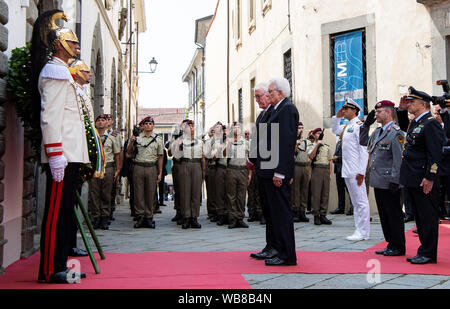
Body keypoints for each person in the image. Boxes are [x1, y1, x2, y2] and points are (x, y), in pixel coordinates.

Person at [31, 10, 89, 283]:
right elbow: (51, 116)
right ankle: (50, 269)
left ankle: (62, 263)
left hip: (70, 155)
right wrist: (55, 154)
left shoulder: (64, 72)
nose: (77, 47)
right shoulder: (55, 71)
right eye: (73, 42)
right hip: (61, 154)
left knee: (65, 213)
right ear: (60, 44)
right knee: (55, 214)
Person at [248, 78, 299, 266]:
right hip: (266, 169)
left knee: (282, 214)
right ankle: (276, 248)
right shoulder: (276, 110)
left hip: (276, 171)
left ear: (279, 92)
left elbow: (286, 143)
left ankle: (287, 254)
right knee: (272, 213)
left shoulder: (287, 109)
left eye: (269, 92)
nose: (267, 95)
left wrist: (281, 172)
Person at [400, 87, 444, 264]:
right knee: (419, 216)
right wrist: (402, 110)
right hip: (413, 177)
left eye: (412, 102)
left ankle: (428, 253)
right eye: (408, 101)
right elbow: (405, 131)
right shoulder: (417, 122)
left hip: (424, 178)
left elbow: (435, 153)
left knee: (427, 217)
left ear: (423, 104)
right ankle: (423, 250)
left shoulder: (430, 123)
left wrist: (430, 177)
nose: (409, 104)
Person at [68, 58, 104, 256]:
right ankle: (68, 243)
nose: (90, 74)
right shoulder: (73, 91)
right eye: (86, 71)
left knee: (73, 200)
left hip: (81, 153)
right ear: (77, 72)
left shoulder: (82, 92)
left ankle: (71, 242)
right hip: (73, 151)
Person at [363, 101, 406, 256]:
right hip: (378, 180)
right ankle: (390, 243)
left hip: (390, 182)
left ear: (388, 113)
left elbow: (398, 159)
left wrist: (396, 180)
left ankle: (398, 245)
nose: (376, 115)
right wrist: (366, 126)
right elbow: (363, 143)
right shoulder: (377, 132)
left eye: (379, 112)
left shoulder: (396, 133)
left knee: (394, 214)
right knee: (384, 214)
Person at [332, 98, 370, 241]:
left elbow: (364, 150)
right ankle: (358, 230)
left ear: (354, 111)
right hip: (348, 170)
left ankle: (364, 232)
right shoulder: (348, 126)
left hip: (356, 171)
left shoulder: (360, 126)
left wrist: (361, 171)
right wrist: (337, 117)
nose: (344, 111)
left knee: (361, 202)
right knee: (355, 202)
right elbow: (335, 130)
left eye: (346, 109)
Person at [126, 117, 164, 229]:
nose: (148, 125)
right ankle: (140, 216)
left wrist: (160, 172)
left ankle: (149, 217)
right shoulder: (137, 138)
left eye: (150, 123)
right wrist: (131, 142)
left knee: (150, 193)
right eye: (146, 123)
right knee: (138, 193)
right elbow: (128, 154)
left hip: (151, 167)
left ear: (153, 126)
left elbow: (160, 157)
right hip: (138, 166)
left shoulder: (158, 139)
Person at [88, 114, 121, 230]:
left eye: (103, 120)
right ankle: (95, 217)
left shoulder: (112, 137)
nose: (101, 122)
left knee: (105, 193)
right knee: (94, 193)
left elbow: (117, 155)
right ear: (95, 123)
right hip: (95, 168)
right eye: (99, 120)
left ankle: (105, 217)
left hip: (108, 168)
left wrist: (117, 170)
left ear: (106, 123)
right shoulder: (91, 136)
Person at [171, 120, 205, 229]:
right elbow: (174, 155)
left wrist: (203, 171)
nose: (191, 128)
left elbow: (203, 157)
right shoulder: (180, 140)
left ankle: (194, 217)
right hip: (184, 164)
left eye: (192, 126)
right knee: (185, 192)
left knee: (195, 192)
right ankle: (186, 217)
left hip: (196, 165)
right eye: (188, 126)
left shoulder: (199, 142)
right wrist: (177, 145)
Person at [224, 122, 251, 229]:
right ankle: (232, 218)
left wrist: (250, 173)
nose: (237, 129)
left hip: (243, 170)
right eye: (234, 127)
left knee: (241, 195)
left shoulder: (246, 142)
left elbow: (250, 159)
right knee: (231, 195)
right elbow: (224, 154)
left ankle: (240, 217)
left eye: (238, 127)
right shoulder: (228, 141)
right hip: (232, 169)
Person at [308, 128, 333, 225]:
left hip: (326, 169)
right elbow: (310, 157)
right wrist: (317, 145)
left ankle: (323, 214)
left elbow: (330, 161)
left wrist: (330, 173)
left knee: (325, 193)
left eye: (320, 133)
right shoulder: (311, 146)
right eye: (317, 133)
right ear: (314, 135)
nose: (319, 134)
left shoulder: (326, 147)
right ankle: (316, 215)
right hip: (317, 169)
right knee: (316, 193)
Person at [292, 122, 311, 223]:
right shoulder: (292, 140)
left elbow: (310, 154)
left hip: (305, 166)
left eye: (302, 128)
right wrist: (296, 144)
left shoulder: (306, 141)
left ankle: (302, 211)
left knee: (304, 189)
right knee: (296, 190)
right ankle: (296, 210)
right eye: (299, 128)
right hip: (297, 166)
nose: (301, 130)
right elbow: (292, 153)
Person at [203, 126, 219, 222]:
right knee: (212, 191)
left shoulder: (221, 141)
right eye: (212, 132)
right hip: (211, 167)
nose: (213, 133)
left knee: (219, 191)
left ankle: (219, 211)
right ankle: (212, 212)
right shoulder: (208, 142)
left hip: (220, 168)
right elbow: (205, 155)